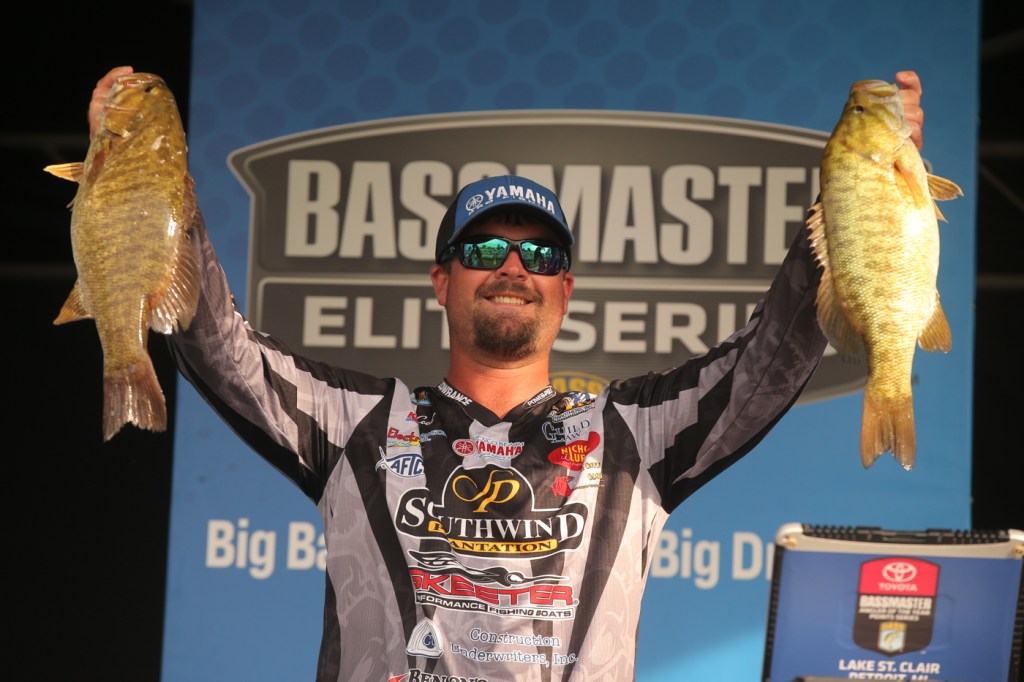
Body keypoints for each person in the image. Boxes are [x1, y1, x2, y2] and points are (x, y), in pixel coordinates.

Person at [90, 67, 926, 681]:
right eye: (486, 247)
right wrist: (143, 178)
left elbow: (770, 357)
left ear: (566, 288)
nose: (514, 267)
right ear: (442, 280)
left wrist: (860, 194)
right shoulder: (354, 423)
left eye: (541, 254)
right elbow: (217, 346)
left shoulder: (635, 432)